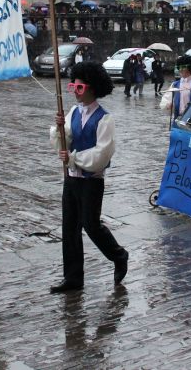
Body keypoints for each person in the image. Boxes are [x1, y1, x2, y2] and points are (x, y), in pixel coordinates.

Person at [49, 61, 128, 293]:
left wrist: (73, 158)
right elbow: (66, 140)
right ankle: (73, 277)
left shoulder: (104, 119)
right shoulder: (73, 112)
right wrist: (59, 131)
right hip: (72, 178)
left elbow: (101, 154)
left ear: (92, 88)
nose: (75, 91)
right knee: (69, 227)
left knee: (91, 225)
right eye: (74, 86)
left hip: (92, 180)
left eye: (80, 87)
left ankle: (118, 255)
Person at [160, 55, 191, 123]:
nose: (180, 69)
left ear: (190, 68)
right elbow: (166, 99)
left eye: (183, 67)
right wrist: (168, 105)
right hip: (177, 121)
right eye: (179, 67)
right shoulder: (175, 84)